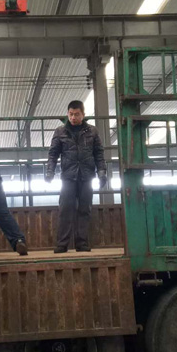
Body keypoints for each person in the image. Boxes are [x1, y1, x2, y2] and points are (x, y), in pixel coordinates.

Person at [46, 100, 107, 253]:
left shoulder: (93, 131)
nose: (73, 117)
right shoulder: (60, 132)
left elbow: (99, 153)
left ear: (83, 114)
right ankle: (62, 244)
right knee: (65, 209)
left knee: (85, 210)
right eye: (71, 114)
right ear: (68, 114)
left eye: (77, 114)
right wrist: (50, 172)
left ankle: (82, 243)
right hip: (68, 177)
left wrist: (101, 172)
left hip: (87, 176)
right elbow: (53, 154)